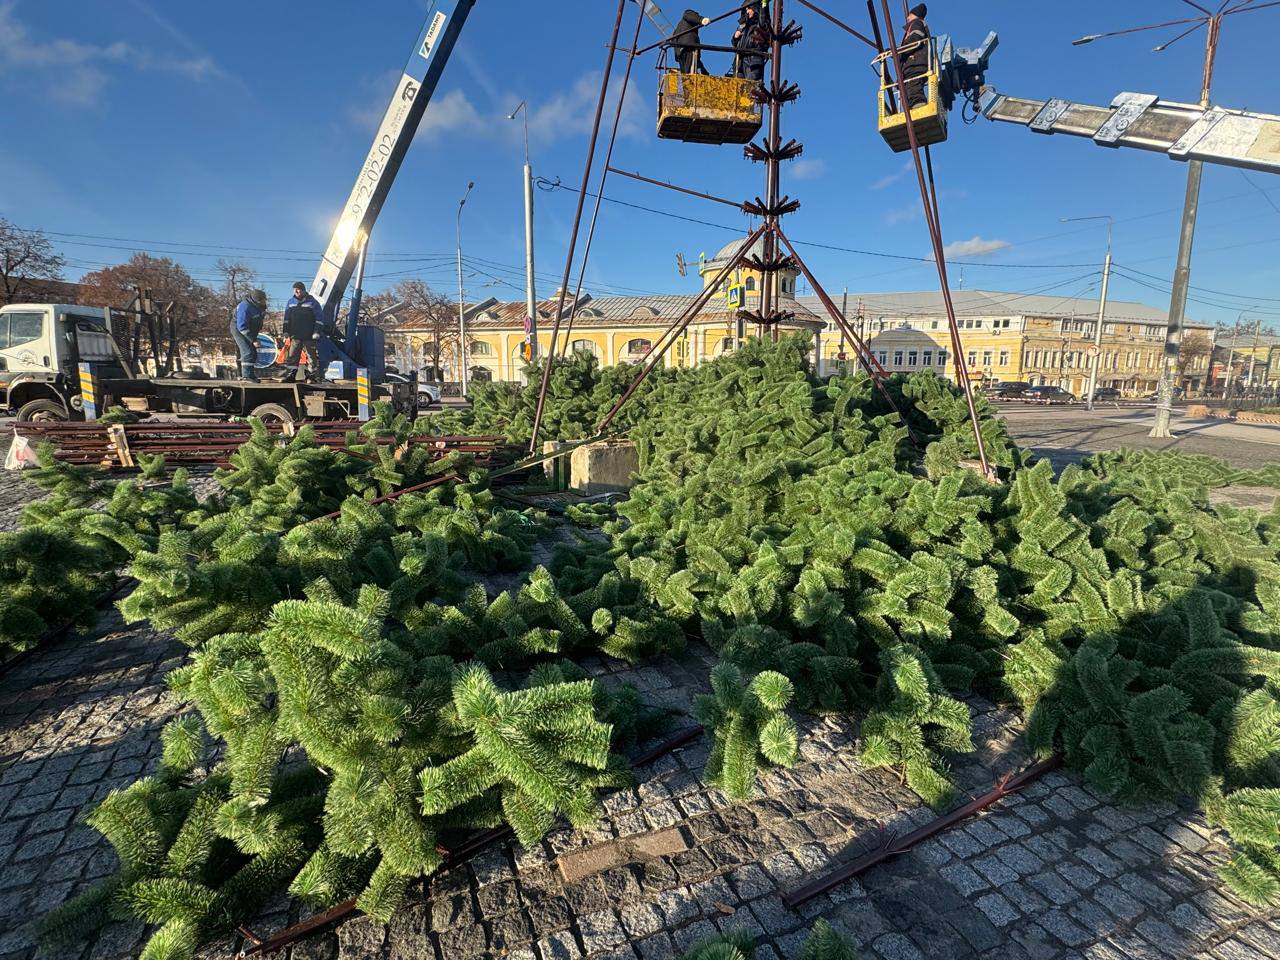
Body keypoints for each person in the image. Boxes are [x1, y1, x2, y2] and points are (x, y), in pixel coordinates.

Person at [281, 292, 320, 383]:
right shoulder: (291, 302)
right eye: (295, 290)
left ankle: (311, 376)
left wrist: (317, 331)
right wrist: (286, 331)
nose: (296, 292)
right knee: (293, 355)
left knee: (311, 356)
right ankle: (291, 375)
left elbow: (319, 318)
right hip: (295, 335)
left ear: (303, 290)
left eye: (298, 290)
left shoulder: (312, 302)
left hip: (309, 335)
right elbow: (287, 318)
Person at [231, 289, 267, 381]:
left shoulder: (259, 306)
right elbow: (242, 327)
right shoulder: (245, 307)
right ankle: (246, 376)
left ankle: (251, 375)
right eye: (263, 300)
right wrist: (253, 340)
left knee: (253, 353)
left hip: (250, 330)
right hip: (240, 330)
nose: (265, 301)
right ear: (257, 300)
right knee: (247, 351)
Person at [899, 4, 930, 109]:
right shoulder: (916, 25)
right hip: (913, 65)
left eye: (910, 15)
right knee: (909, 91)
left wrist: (897, 51)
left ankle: (919, 108)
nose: (907, 18)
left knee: (914, 88)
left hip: (915, 64)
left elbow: (914, 40)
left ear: (915, 15)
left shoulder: (916, 23)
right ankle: (913, 108)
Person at [673, 9, 711, 74]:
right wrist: (701, 19)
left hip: (681, 54)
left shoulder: (677, 30)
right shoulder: (688, 13)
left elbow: (673, 40)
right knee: (690, 74)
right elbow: (687, 14)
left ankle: (704, 73)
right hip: (689, 47)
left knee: (685, 74)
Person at [734, 17, 769, 82]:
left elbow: (763, 16)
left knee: (751, 84)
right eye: (745, 10)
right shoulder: (741, 26)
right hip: (740, 61)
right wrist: (735, 38)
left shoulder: (759, 24)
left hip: (753, 59)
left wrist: (764, 7)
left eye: (749, 9)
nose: (747, 11)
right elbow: (734, 43)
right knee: (739, 87)